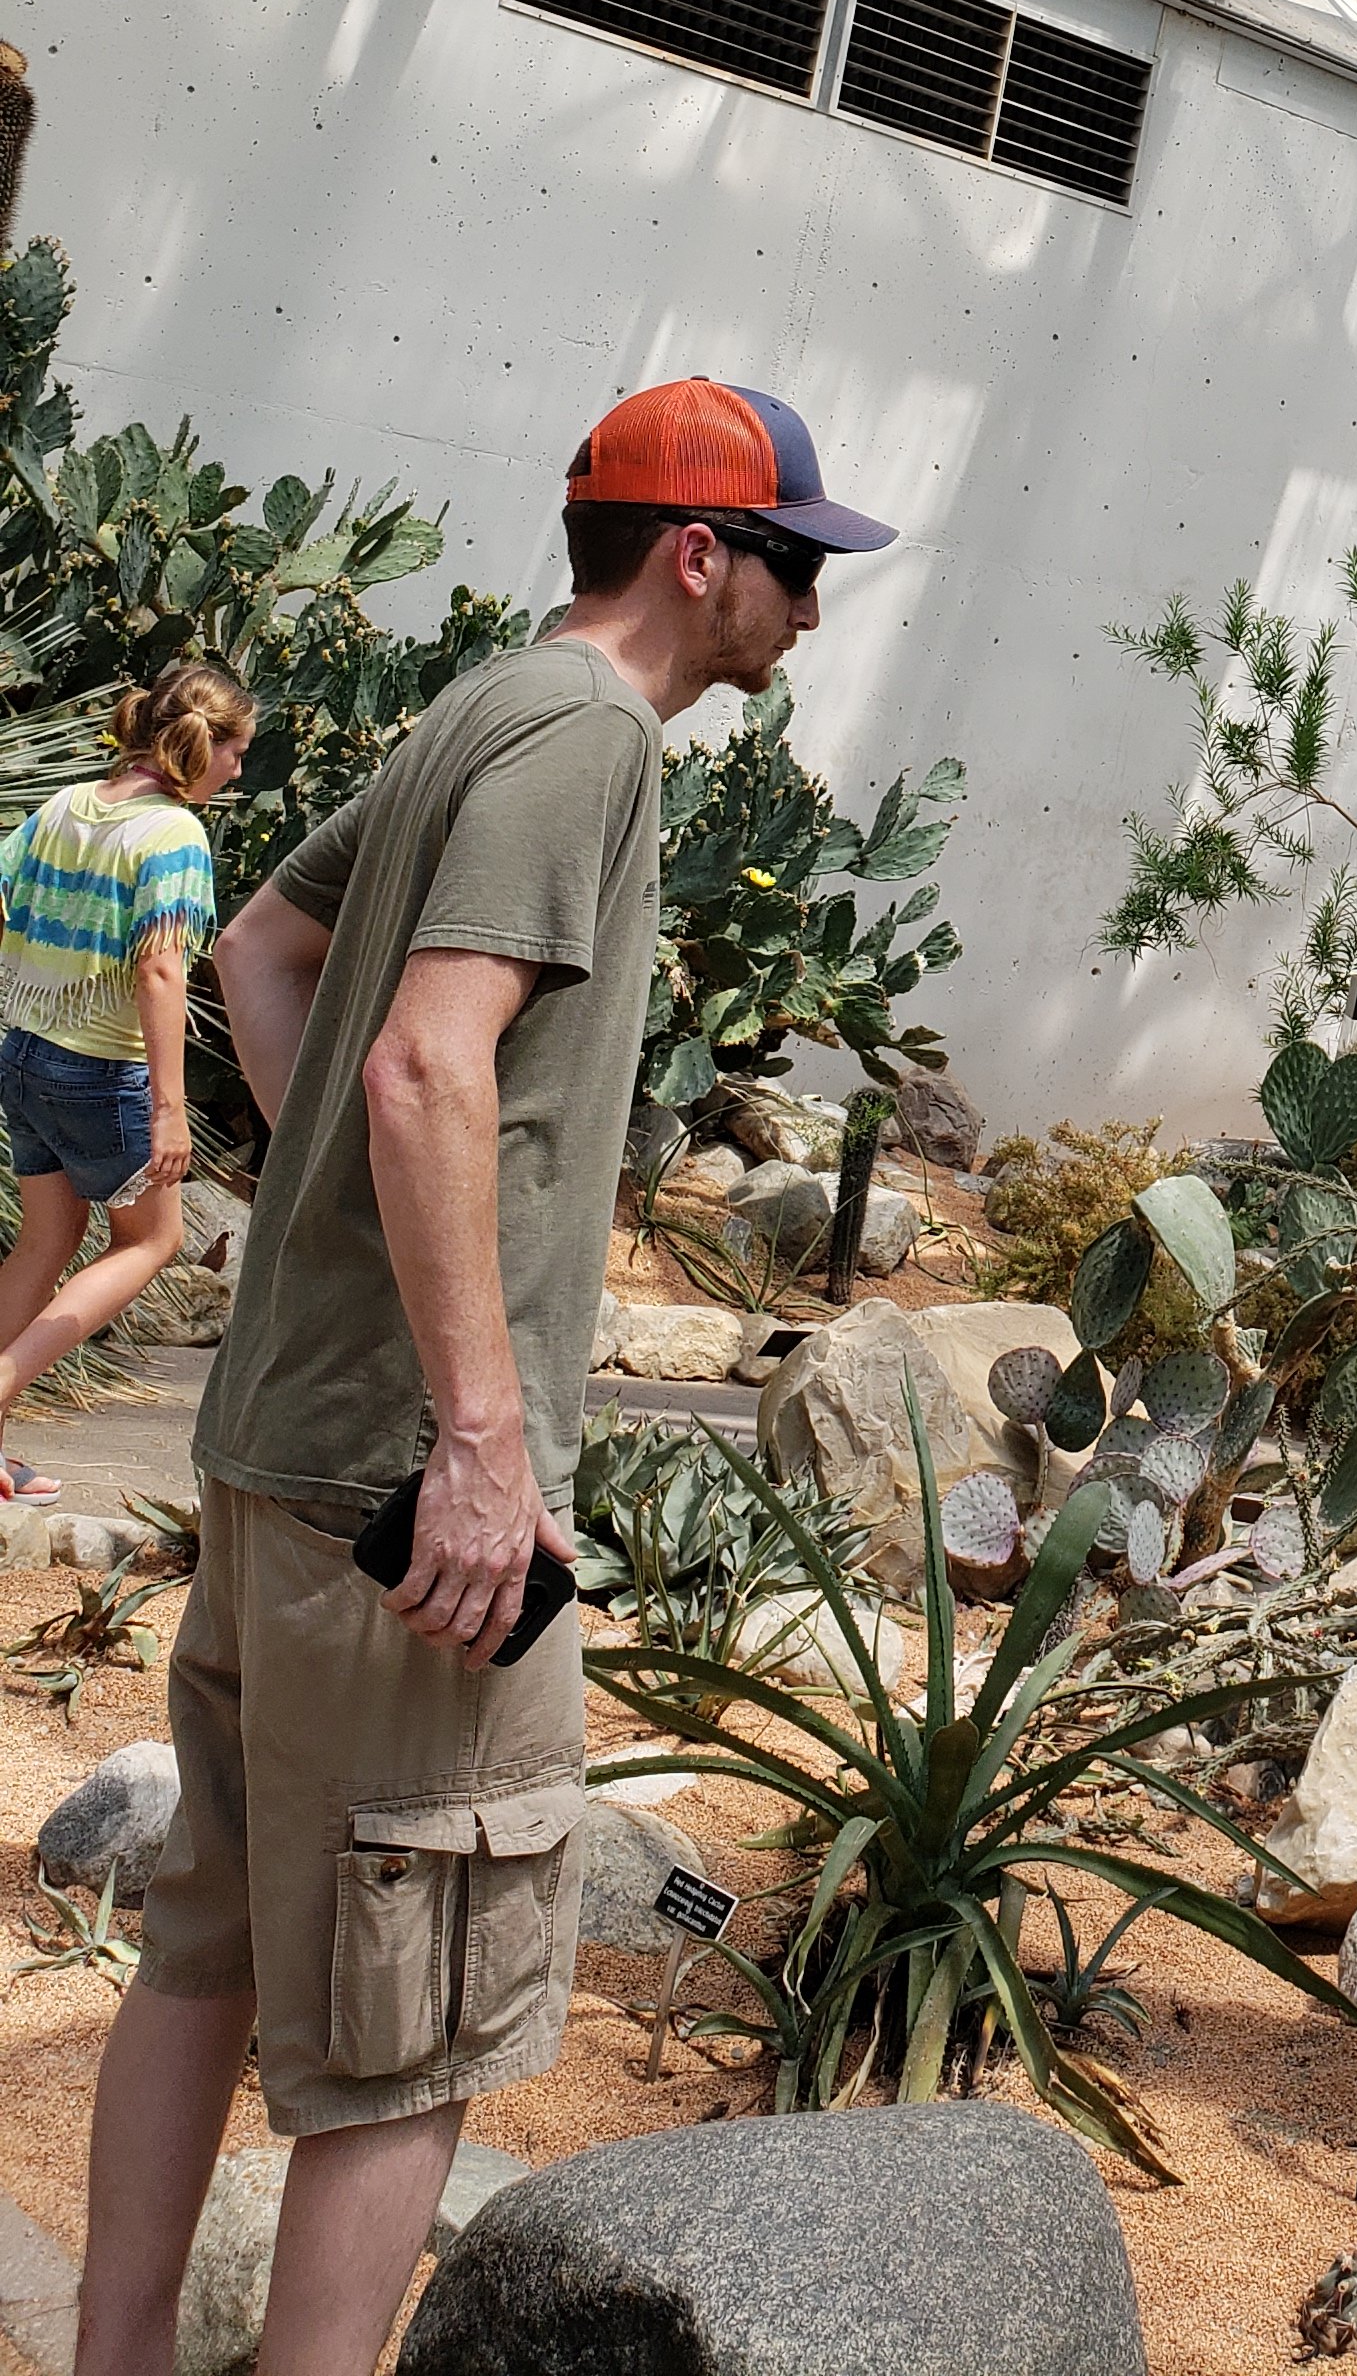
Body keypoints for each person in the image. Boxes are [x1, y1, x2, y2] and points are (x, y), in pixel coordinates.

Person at [75, 382, 895, 2376]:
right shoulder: (591, 735)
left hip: (294, 1443)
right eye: (796, 563)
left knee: (205, 1945)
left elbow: (272, 949)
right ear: (699, 558)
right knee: (414, 2023)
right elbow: (427, 1058)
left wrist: (341, 1231)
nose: (813, 606)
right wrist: (480, 1435)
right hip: (404, 1502)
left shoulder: (478, 706)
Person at [0, 655, 255, 1495]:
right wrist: (171, 1113)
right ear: (199, 743)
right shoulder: (173, 834)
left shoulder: (66, 804)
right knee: (153, 1239)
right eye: (237, 752)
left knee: (47, 1238)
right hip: (102, 1071)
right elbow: (159, 973)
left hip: (27, 1053)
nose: (238, 771)